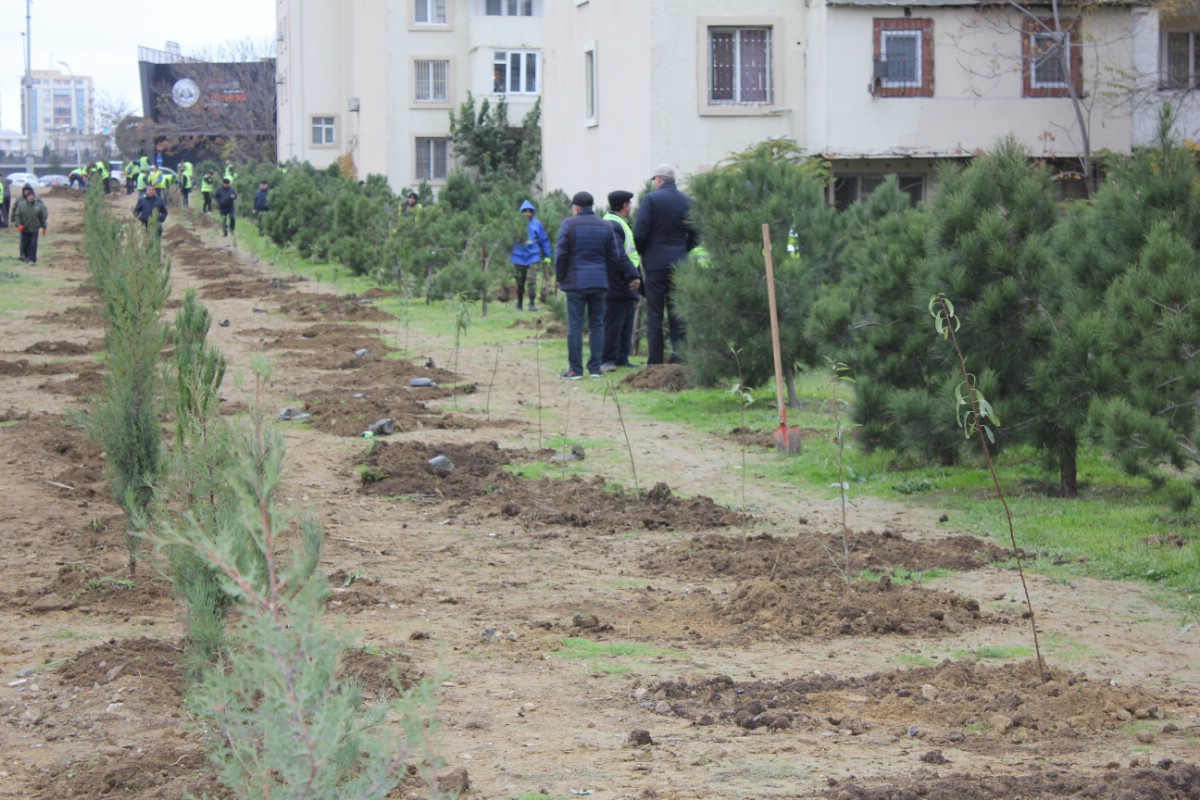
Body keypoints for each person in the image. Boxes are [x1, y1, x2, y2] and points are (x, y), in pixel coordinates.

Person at [554, 191, 640, 379]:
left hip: (576, 283)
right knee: (597, 325)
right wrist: (605, 275)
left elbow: (561, 255)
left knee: (575, 327)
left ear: (575, 208)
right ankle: (595, 368)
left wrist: (562, 277)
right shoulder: (605, 225)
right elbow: (614, 256)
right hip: (599, 283)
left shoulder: (568, 225)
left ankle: (575, 370)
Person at [633, 164, 698, 365]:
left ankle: (655, 362)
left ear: (659, 180)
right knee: (677, 313)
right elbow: (696, 234)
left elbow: (639, 233)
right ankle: (678, 359)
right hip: (679, 262)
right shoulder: (688, 202)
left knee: (655, 315)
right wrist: (682, 250)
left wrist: (645, 251)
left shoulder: (651, 200)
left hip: (655, 264)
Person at [599, 190, 643, 372]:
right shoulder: (612, 224)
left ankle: (622, 357)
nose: (631, 207)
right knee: (614, 322)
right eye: (629, 204)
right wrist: (632, 275)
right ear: (624, 205)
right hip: (618, 280)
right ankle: (608, 359)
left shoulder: (619, 223)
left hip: (624, 281)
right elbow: (619, 254)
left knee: (625, 321)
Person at [511, 199, 552, 311]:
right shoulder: (515, 224)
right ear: (521, 212)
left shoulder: (537, 224)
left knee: (532, 280)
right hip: (518, 256)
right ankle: (519, 303)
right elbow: (508, 239)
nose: (527, 213)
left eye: (529, 211)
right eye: (525, 211)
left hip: (533, 256)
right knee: (519, 282)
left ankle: (532, 303)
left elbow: (544, 240)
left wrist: (548, 256)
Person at [13, 185, 48, 264]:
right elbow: (17, 215)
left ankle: (32, 259)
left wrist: (44, 227)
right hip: (24, 228)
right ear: (27, 197)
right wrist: (18, 225)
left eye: (32, 196)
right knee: (24, 243)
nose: (31, 197)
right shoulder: (21, 205)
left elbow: (42, 217)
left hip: (34, 229)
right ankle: (24, 256)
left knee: (33, 244)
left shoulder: (38, 206)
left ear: (34, 196)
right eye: (29, 196)